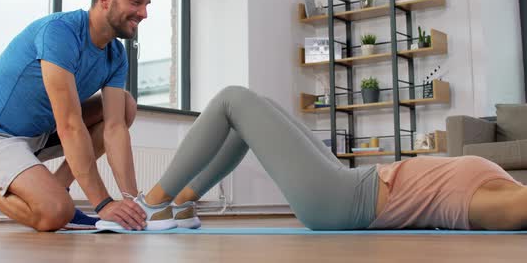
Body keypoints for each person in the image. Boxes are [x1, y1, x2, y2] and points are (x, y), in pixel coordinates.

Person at [97, 86, 527, 231]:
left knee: (232, 99)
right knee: (256, 106)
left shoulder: (492, 202)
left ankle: (149, 204)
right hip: (349, 181)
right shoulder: (502, 182)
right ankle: (183, 205)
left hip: (341, 199)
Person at [0, 0, 168, 232]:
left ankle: (58, 187)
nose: (143, 13)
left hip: (37, 134)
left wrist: (134, 204)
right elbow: (70, 125)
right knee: (54, 213)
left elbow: (115, 127)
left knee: (124, 105)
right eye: (136, 2)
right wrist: (103, 204)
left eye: (147, 5)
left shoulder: (115, 55)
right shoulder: (60, 32)